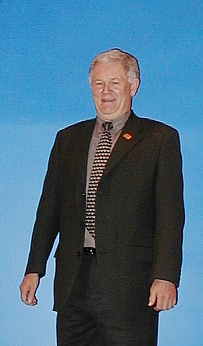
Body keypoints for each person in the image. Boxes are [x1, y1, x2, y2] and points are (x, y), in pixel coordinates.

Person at [20, 48, 184, 346]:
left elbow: (170, 215)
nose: (106, 91)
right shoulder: (67, 139)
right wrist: (34, 268)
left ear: (133, 86)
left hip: (130, 289)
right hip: (73, 284)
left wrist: (166, 275)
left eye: (114, 83)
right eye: (98, 83)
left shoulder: (159, 138)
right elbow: (49, 210)